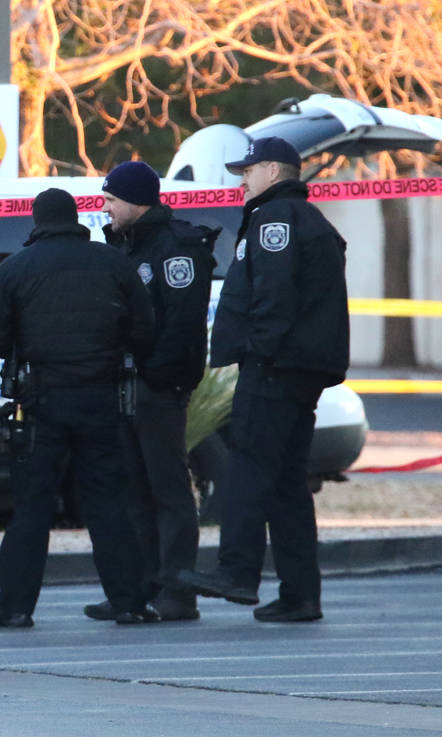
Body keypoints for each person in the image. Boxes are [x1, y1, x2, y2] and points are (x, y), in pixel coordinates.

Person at [176, 137, 350, 622]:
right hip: (298, 370)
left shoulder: (276, 221)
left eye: (248, 170)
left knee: (250, 467)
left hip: (276, 369)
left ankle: (237, 572)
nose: (241, 180)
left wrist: (260, 354)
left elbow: (273, 297)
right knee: (287, 482)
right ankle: (300, 594)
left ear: (273, 171)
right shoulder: (304, 219)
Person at [0, 187, 157, 628]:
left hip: (40, 403)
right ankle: (129, 602)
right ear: (75, 218)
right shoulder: (112, 262)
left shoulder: (16, 267)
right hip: (101, 398)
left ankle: (16, 607)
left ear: (37, 220)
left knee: (33, 507)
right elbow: (145, 329)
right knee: (107, 502)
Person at [83, 161, 217, 623]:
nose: (106, 209)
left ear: (139, 201)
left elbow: (181, 323)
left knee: (167, 488)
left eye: (112, 201)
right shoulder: (123, 245)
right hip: (125, 384)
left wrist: (159, 375)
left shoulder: (175, 247)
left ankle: (177, 592)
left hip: (157, 387)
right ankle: (136, 591)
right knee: (132, 490)